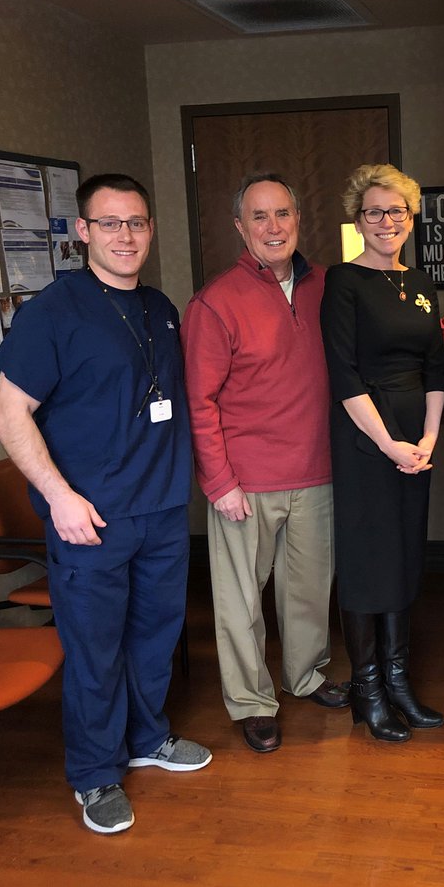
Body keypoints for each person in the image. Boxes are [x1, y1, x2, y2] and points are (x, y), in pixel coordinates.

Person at [0, 174, 211, 835]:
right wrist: (59, 498)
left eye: (136, 222)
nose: (125, 236)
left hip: (160, 510)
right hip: (90, 517)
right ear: (83, 231)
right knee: (95, 650)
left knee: (154, 636)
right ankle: (94, 773)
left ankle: (147, 737)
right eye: (110, 223)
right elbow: (9, 415)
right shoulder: (53, 312)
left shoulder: (159, 307)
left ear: (150, 229)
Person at [181, 173, 350, 756]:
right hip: (244, 482)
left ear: (298, 220)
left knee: (308, 591)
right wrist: (219, 482)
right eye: (259, 216)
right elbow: (199, 402)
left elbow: (380, 341)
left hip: (317, 470)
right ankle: (253, 702)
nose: (273, 227)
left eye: (283, 214)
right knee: (240, 602)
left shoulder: (326, 285)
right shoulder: (214, 303)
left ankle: (304, 676)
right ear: (240, 226)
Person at [320, 163, 444, 743]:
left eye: (397, 211)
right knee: (367, 559)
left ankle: (398, 682)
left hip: (415, 440)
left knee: (403, 555)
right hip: (365, 437)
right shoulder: (343, 281)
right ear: (358, 220)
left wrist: (428, 439)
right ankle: (367, 690)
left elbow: (435, 368)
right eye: (374, 212)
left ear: (411, 218)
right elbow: (343, 374)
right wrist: (388, 443)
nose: (386, 221)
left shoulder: (420, 283)